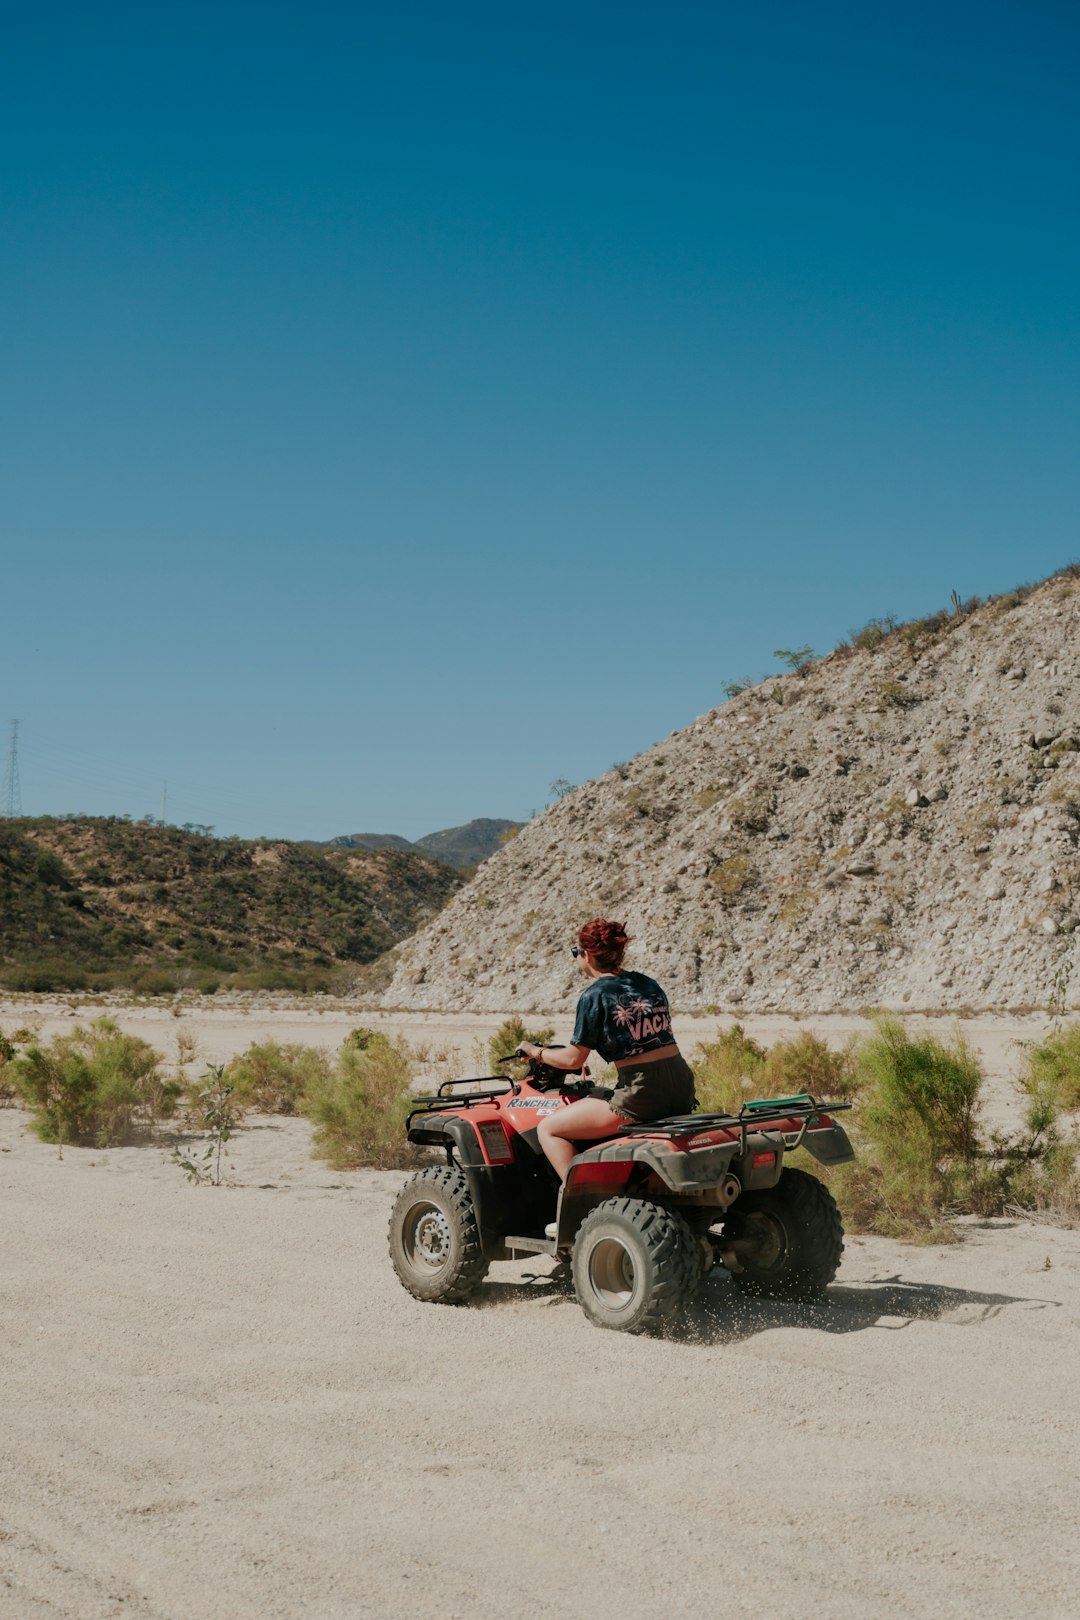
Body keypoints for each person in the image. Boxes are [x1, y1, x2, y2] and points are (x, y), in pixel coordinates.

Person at [519, 918, 695, 1184]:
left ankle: (581, 1200)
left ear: (585, 954)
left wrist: (536, 1051)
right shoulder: (648, 984)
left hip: (641, 1093)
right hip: (682, 1085)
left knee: (549, 1129)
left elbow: (572, 1058)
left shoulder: (595, 995)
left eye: (575, 952)